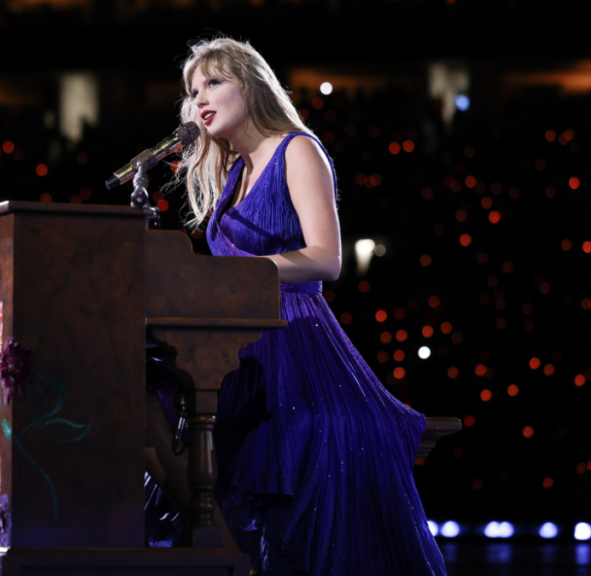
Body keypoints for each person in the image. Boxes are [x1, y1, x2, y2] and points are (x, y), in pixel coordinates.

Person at [142, 37, 449, 575]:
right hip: (235, 345)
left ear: (251, 84)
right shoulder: (232, 174)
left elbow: (326, 259)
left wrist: (233, 274)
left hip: (295, 335)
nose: (199, 100)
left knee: (288, 451)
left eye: (214, 83)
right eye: (193, 91)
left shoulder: (297, 149)